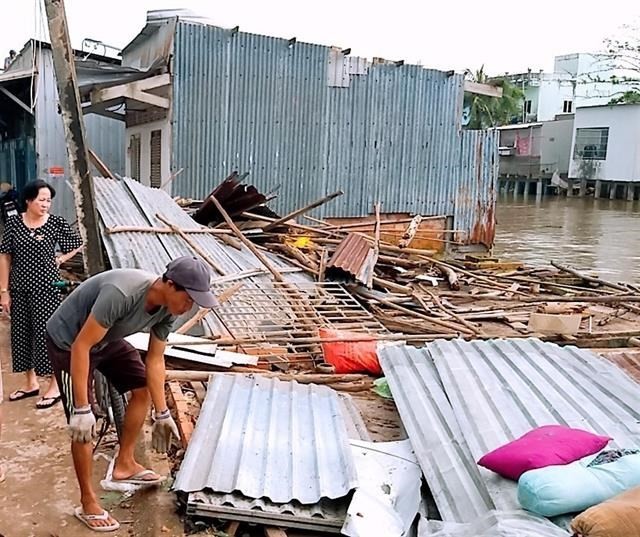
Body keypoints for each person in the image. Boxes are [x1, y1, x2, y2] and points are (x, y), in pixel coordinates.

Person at [45, 255, 218, 532]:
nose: (190, 307)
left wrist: (162, 414)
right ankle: (88, 502)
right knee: (83, 428)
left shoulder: (168, 310)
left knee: (142, 389)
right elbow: (81, 346)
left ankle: (124, 464)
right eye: (189, 298)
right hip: (70, 342)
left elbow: (155, 360)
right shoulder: (122, 293)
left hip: (106, 339)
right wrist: (81, 408)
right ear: (170, 285)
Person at [0, 180, 82, 409]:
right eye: (41, 200)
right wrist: (4, 292)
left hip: (47, 289)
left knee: (48, 336)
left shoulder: (55, 223)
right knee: (22, 334)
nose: (46, 204)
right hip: (19, 288)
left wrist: (60, 259)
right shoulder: (15, 223)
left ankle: (54, 385)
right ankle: (30, 383)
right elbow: (5, 256)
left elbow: (76, 242)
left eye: (49, 200)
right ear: (28, 200)